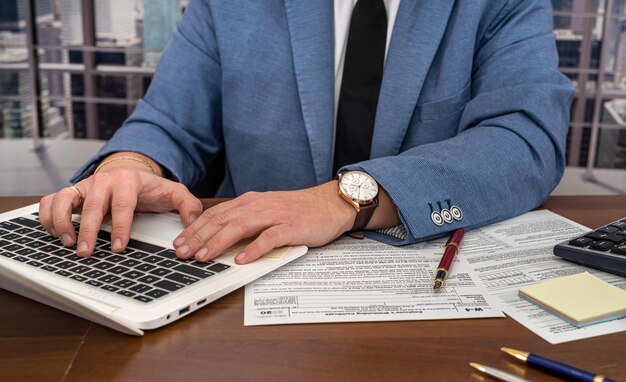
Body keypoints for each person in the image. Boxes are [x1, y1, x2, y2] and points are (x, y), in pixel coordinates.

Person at [39, 0, 574, 265]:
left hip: (426, 278)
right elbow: (169, 120)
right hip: (245, 270)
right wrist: (127, 166)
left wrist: (344, 199)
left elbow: (526, 140)